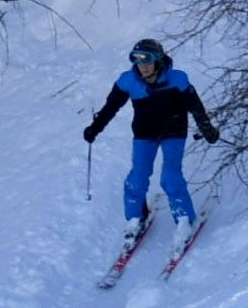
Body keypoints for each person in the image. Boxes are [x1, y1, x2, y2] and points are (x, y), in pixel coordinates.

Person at [82, 38, 220, 235]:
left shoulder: (178, 79)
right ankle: (135, 219)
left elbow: (195, 106)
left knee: (170, 177)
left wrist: (206, 127)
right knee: (137, 178)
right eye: (138, 63)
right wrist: (95, 128)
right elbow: (110, 108)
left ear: (158, 60)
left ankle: (185, 221)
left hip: (174, 131)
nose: (143, 68)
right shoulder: (128, 81)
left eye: (147, 62)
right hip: (144, 133)